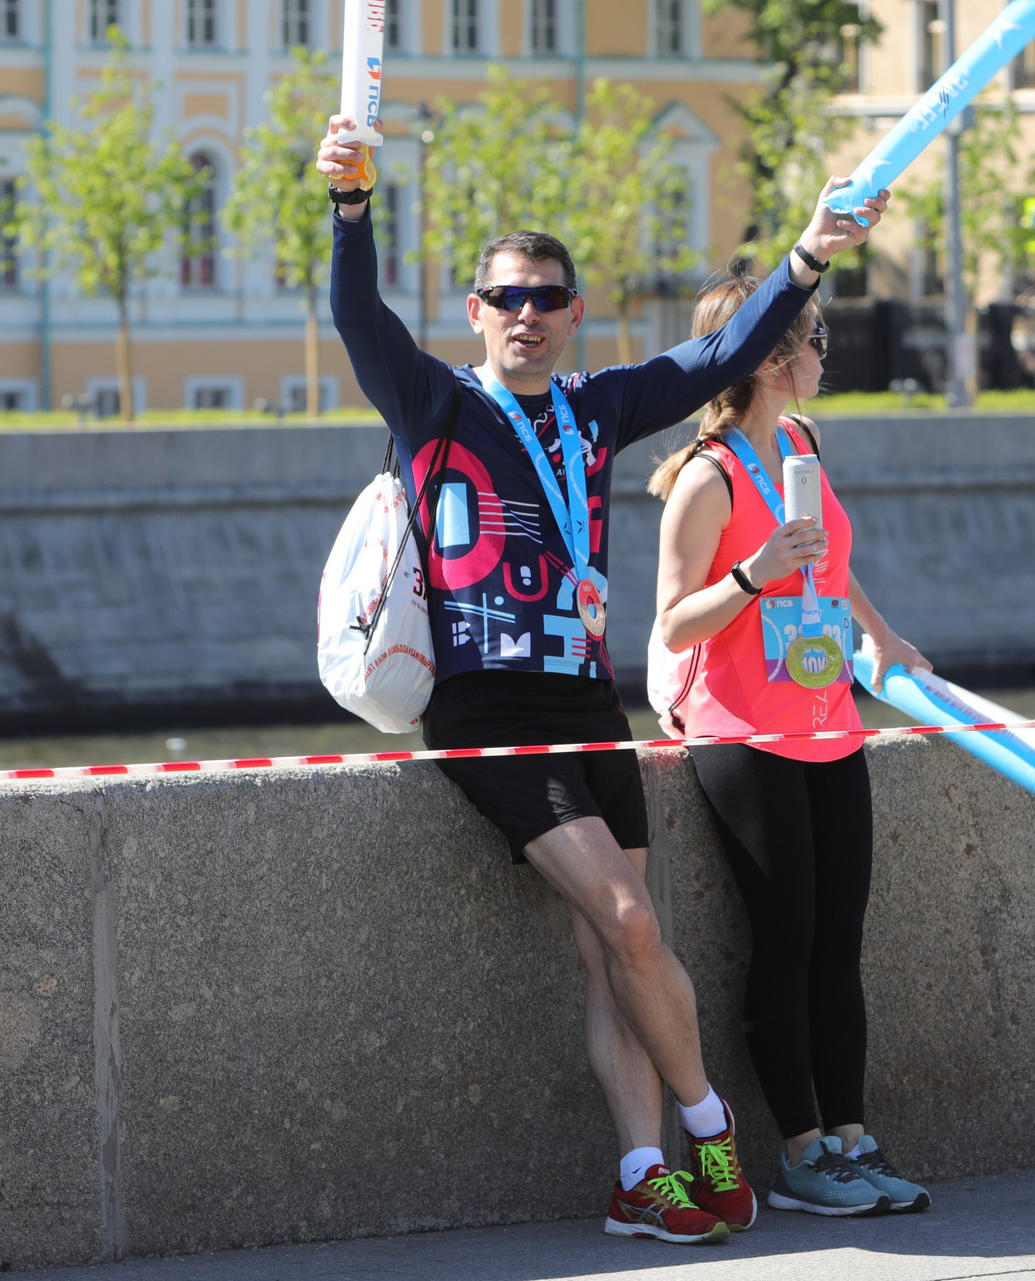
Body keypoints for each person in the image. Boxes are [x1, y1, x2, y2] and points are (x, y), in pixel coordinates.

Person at [317, 122, 890, 1244]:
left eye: (545, 297)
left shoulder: (594, 408)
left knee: (610, 950)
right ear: (473, 311)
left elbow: (718, 362)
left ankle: (640, 1175)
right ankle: (710, 1128)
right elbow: (357, 315)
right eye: (504, 297)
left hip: (588, 702)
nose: (524, 313)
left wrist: (808, 257)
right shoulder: (433, 406)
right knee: (630, 919)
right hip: (486, 712)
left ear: (574, 314)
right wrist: (350, 212)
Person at [646, 276, 936, 1218]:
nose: (822, 353)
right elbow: (675, 623)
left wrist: (880, 634)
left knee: (839, 940)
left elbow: (831, 564)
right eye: (812, 337)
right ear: (770, 355)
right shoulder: (709, 475)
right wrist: (750, 573)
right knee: (788, 937)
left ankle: (853, 1138)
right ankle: (803, 1152)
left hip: (827, 720)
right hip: (746, 734)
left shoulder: (804, 444)